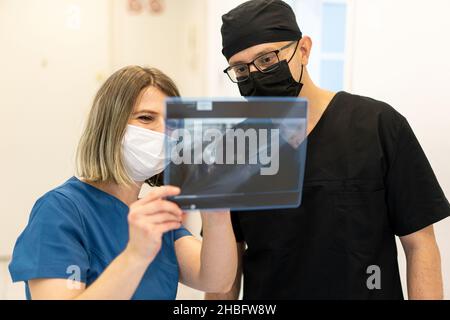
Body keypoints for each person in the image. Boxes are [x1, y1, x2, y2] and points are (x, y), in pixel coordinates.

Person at [206, 0, 450, 300]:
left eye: (267, 60)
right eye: (241, 70)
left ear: (304, 50)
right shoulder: (232, 150)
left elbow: (420, 245)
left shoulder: (378, 126)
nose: (255, 74)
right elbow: (224, 271)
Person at [9, 66, 237, 300]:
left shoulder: (154, 215)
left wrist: (216, 215)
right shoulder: (61, 210)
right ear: (110, 125)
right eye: (146, 118)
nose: (163, 132)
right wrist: (136, 255)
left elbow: (216, 280)